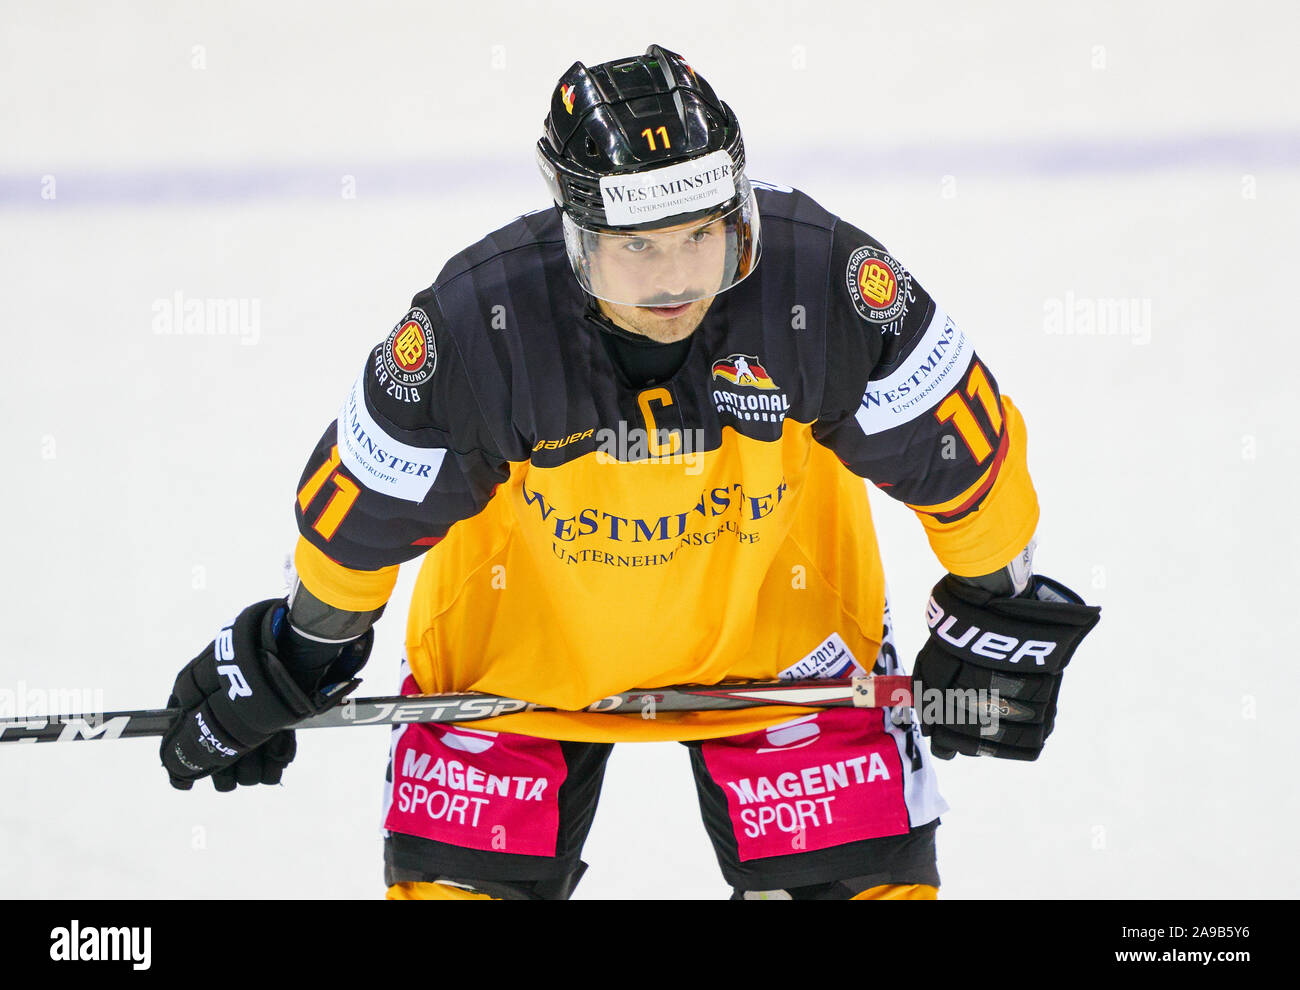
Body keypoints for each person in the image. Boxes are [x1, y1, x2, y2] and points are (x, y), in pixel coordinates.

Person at [159, 45, 1100, 900]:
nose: (675, 279)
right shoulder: (478, 325)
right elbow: (366, 508)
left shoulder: (826, 281)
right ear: (576, 237)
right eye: (636, 248)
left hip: (787, 656)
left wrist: (996, 604)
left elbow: (957, 451)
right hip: (516, 673)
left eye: (701, 235)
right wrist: (304, 648)